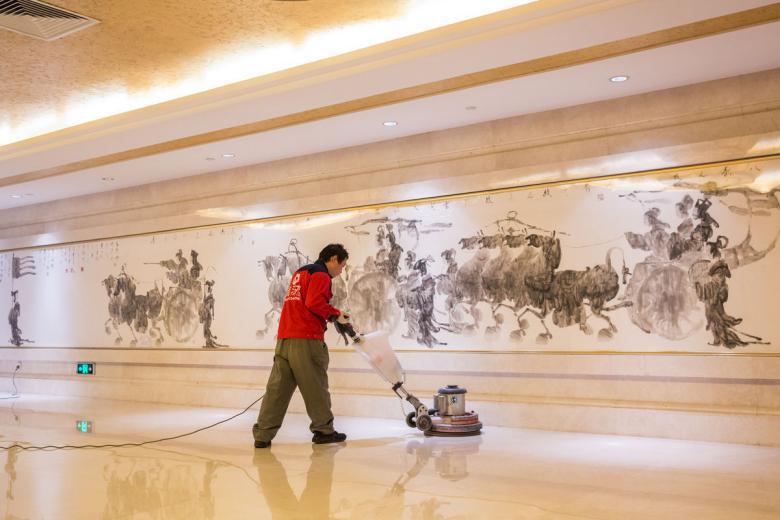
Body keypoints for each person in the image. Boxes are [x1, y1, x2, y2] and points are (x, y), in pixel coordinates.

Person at [253, 243, 352, 448]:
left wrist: (331, 317)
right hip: (306, 340)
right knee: (315, 386)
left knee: (277, 390)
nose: (341, 271)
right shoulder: (321, 275)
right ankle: (323, 431)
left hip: (285, 339)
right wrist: (336, 314)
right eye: (342, 266)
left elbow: (304, 302)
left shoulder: (300, 273)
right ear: (333, 259)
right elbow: (314, 302)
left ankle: (262, 435)